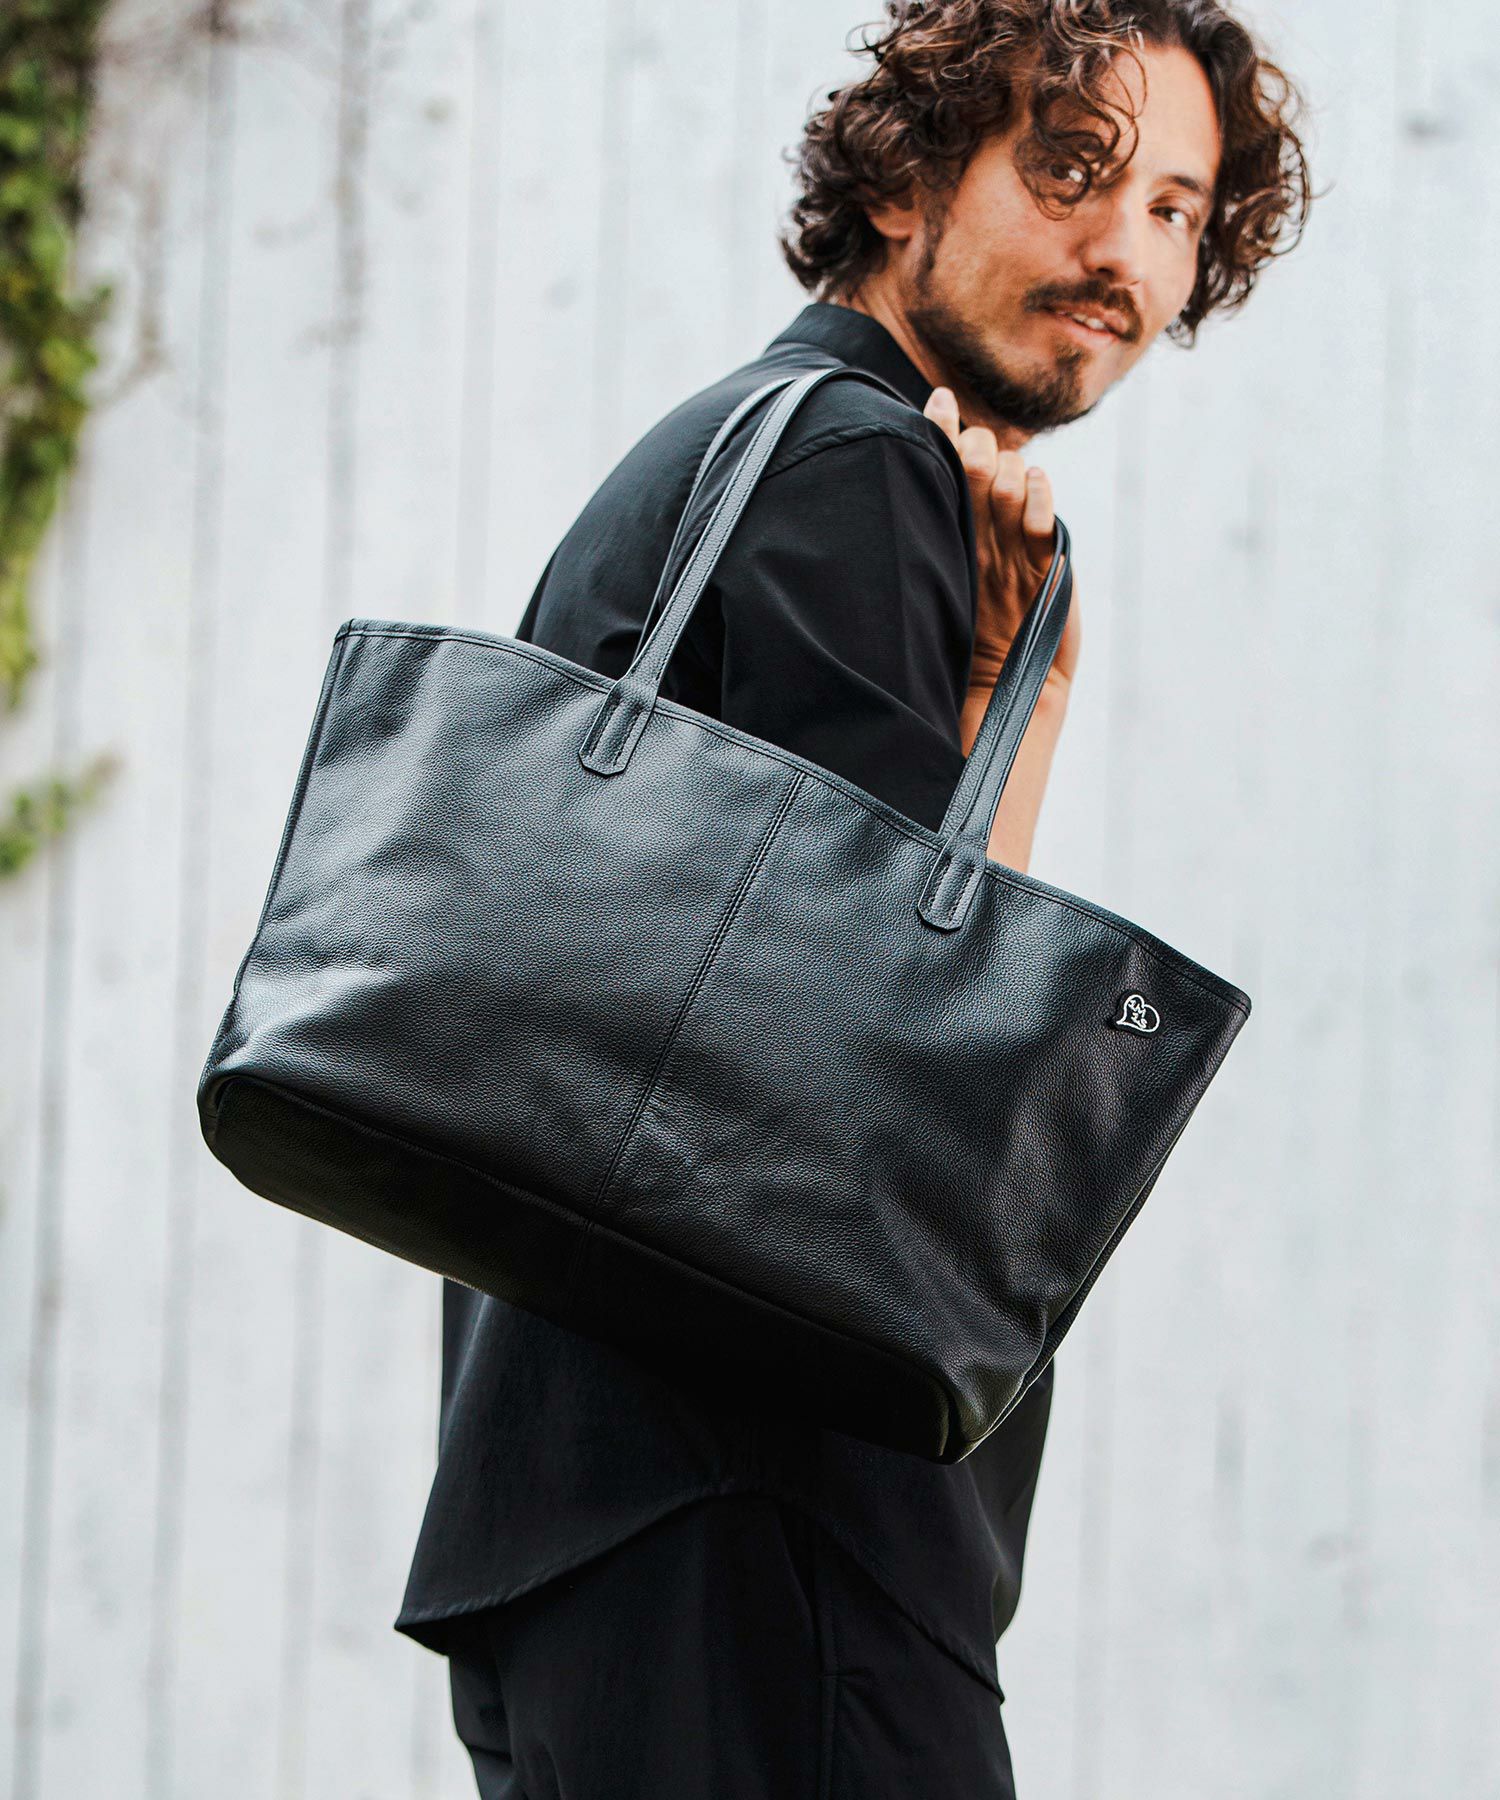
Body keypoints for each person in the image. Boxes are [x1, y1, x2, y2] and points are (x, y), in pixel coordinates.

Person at [395, 3, 1310, 1794]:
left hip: (614, 1530)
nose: (1126, 254)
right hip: (766, 1533)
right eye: (1073, 169)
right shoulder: (853, 461)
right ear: (906, 179)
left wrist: (1004, 702)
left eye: (1175, 211)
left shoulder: (749, 444)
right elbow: (901, 1075)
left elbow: (847, 981)